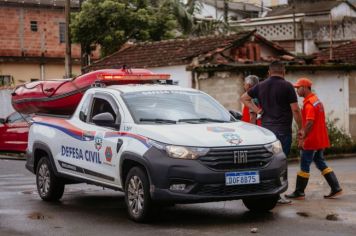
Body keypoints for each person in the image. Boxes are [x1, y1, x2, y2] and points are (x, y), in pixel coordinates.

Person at [240, 61, 303, 204]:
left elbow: (244, 98)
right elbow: (295, 110)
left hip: (266, 133)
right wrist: (301, 128)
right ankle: (276, 195)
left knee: (265, 162)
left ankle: (264, 192)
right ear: (284, 71)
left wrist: (258, 110)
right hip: (282, 132)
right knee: (280, 163)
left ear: (269, 72)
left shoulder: (260, 86)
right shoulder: (287, 86)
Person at [285, 78, 342, 199]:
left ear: (305, 87)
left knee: (304, 164)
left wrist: (303, 136)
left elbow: (310, 122)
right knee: (320, 162)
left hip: (311, 140)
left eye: (298, 88)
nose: (297, 90)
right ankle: (336, 188)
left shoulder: (309, 103)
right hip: (319, 139)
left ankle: (299, 192)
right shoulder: (316, 101)